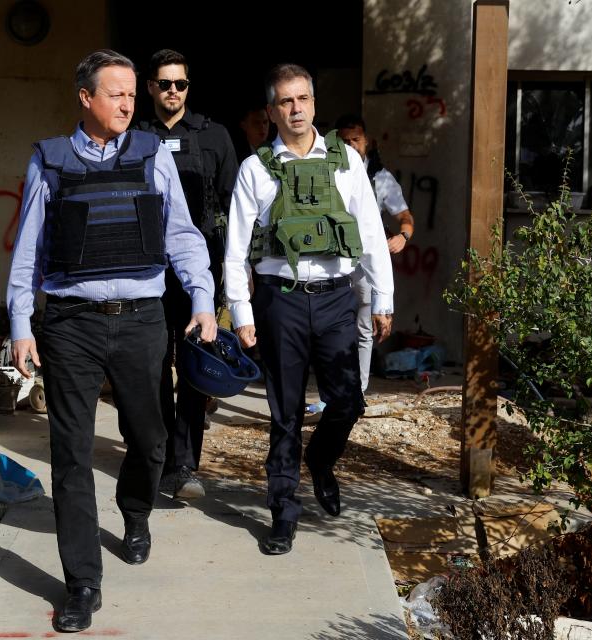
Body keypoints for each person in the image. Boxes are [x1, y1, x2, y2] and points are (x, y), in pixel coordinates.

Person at [7, 49, 217, 633]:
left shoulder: (152, 155)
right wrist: (21, 325)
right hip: (71, 323)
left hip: (144, 319)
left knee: (151, 437)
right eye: (116, 93)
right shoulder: (48, 160)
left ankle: (136, 509)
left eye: (132, 93)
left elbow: (182, 233)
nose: (128, 103)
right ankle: (82, 583)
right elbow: (27, 249)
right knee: (70, 452)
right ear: (86, 98)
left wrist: (202, 298)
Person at [224, 64, 394, 555]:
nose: (295, 109)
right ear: (271, 111)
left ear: (314, 104)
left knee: (348, 401)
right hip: (281, 301)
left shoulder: (347, 161)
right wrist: (243, 313)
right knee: (284, 413)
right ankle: (283, 510)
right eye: (285, 102)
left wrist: (383, 297)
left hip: (339, 298)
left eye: (302, 99)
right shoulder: (255, 168)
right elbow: (235, 250)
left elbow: (370, 236)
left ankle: (321, 461)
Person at [138, 49, 238, 500]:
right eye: (164, 83)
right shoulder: (134, 136)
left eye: (180, 84)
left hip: (200, 274)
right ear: (151, 88)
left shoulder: (215, 136)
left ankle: (186, 463)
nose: (172, 91)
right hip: (148, 274)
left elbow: (238, 208)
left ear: (187, 89)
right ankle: (157, 458)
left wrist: (238, 272)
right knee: (154, 368)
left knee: (195, 370)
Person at [336, 114, 415, 392]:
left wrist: (402, 237)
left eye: (355, 140)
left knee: (363, 330)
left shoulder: (380, 178)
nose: (351, 145)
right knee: (333, 329)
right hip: (334, 262)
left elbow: (405, 217)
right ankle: (336, 391)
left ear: (367, 142)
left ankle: (358, 392)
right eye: (345, 141)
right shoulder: (330, 172)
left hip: (365, 262)